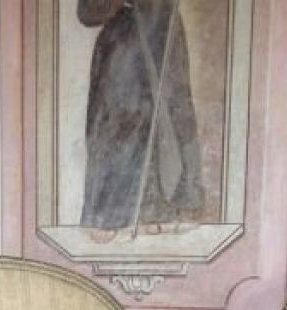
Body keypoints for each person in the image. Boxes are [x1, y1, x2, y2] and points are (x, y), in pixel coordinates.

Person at [79, 0, 205, 243]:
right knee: (119, 121)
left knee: (173, 113)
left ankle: (162, 211)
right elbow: (87, 12)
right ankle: (109, 215)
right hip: (124, 39)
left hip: (164, 30)